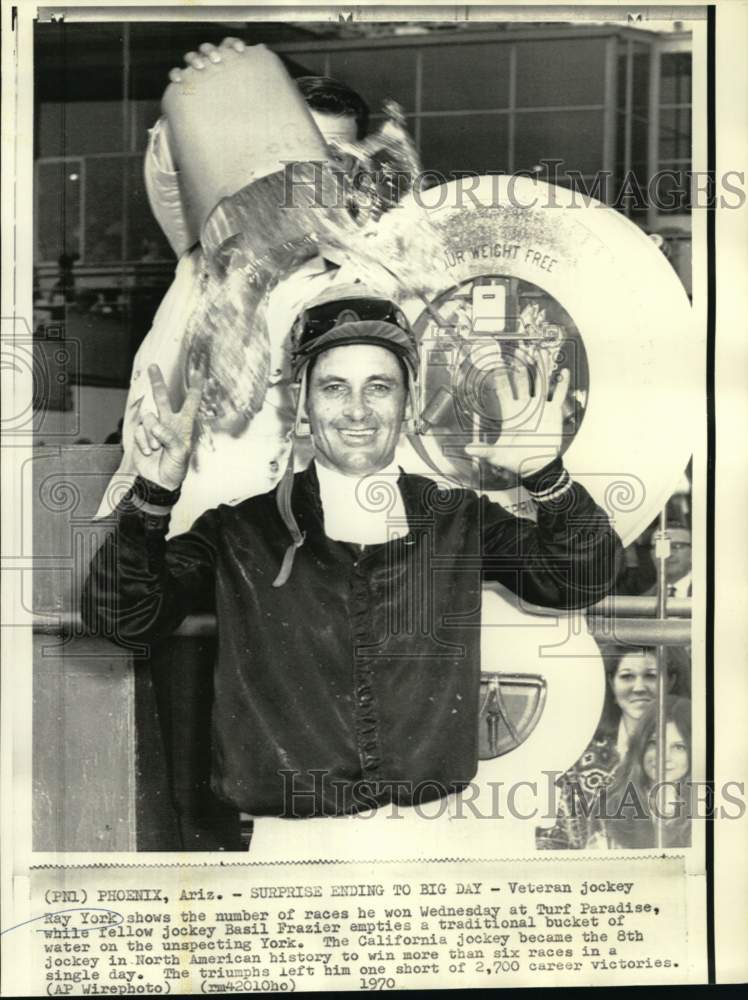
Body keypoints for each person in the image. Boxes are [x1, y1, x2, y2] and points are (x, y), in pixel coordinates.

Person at [82, 287, 623, 832]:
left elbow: (577, 578)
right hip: (292, 841)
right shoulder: (242, 530)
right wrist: (153, 495)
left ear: (409, 404)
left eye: (380, 387)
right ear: (302, 404)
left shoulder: (458, 518)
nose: (358, 411)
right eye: (334, 387)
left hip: (436, 836)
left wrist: (544, 475)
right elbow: (125, 618)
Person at [96, 36, 370, 523]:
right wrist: (207, 93)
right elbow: (167, 173)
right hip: (159, 522)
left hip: (263, 548)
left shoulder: (358, 284)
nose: (311, 178)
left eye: (333, 161)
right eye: (296, 152)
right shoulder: (208, 250)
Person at [536, 645, 685, 849]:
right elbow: (551, 843)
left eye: (651, 676)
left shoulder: (696, 752)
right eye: (626, 676)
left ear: (671, 682)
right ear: (610, 683)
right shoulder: (577, 757)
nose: (639, 687)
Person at [602, 695, 692, 849]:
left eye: (678, 747)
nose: (663, 757)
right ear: (640, 746)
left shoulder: (709, 809)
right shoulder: (608, 808)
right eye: (654, 743)